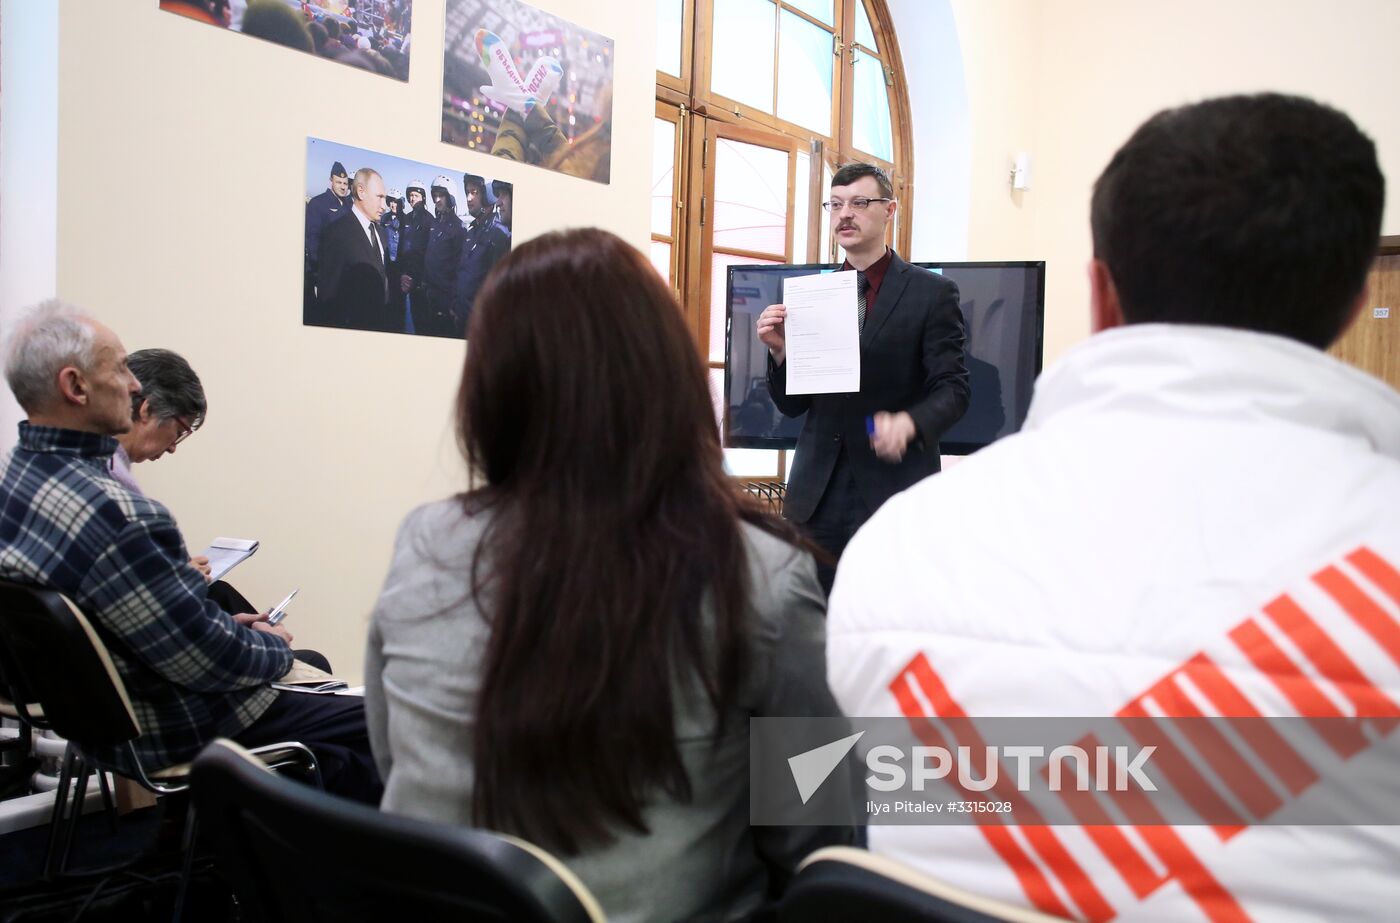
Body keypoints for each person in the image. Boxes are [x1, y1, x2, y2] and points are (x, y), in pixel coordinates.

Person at [827, 93, 1398, 920]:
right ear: (1350, 308)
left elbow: (818, 792)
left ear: (1100, 298)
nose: (843, 216)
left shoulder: (900, 550)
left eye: (856, 201)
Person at [364, 228, 854, 922]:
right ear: (671, 378)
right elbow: (819, 841)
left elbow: (394, 766)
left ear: (490, 387)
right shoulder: (759, 574)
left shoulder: (424, 541)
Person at [0, 302, 379, 801]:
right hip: (172, 725)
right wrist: (272, 648)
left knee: (339, 735)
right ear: (75, 386)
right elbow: (206, 663)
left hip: (99, 725)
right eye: (119, 369)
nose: (136, 386)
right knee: (382, 724)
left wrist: (222, 628)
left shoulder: (18, 478)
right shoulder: (121, 514)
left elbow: (150, 629)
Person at [756, 162, 969, 594]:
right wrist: (780, 351)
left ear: (889, 210)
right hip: (815, 496)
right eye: (834, 205)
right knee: (812, 624)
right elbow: (794, 406)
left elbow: (954, 387)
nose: (844, 215)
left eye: (858, 203)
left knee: (885, 620)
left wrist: (909, 424)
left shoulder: (931, 292)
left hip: (892, 490)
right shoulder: (812, 294)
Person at [312, 166, 390, 331]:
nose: (384, 205)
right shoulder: (337, 233)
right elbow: (329, 296)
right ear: (361, 192)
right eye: (379, 197)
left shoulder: (381, 233)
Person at [452, 173, 511, 337]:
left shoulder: (499, 235)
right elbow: (462, 271)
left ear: (487, 197)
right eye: (467, 192)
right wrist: (456, 307)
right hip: (462, 319)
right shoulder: (471, 231)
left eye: (475, 192)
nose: (469, 198)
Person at [418, 174, 465, 339]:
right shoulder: (435, 223)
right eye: (435, 196)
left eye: (442, 196)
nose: (437, 200)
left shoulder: (459, 228)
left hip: (446, 297)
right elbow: (430, 254)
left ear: (450, 198)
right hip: (429, 293)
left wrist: (453, 303)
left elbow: (460, 268)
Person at [304, 160, 351, 303]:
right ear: (331, 180)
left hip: (345, 274)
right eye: (339, 182)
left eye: (345, 183)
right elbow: (313, 241)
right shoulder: (318, 204)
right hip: (326, 273)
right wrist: (321, 273)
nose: (343, 187)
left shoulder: (349, 205)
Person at [395, 178, 431, 334]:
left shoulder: (429, 220)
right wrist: (401, 272)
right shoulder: (406, 219)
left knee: (420, 318)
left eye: (415, 195)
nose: (412, 199)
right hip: (404, 274)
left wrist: (419, 278)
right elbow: (401, 246)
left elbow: (429, 252)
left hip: (419, 277)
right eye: (410, 195)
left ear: (423, 197)